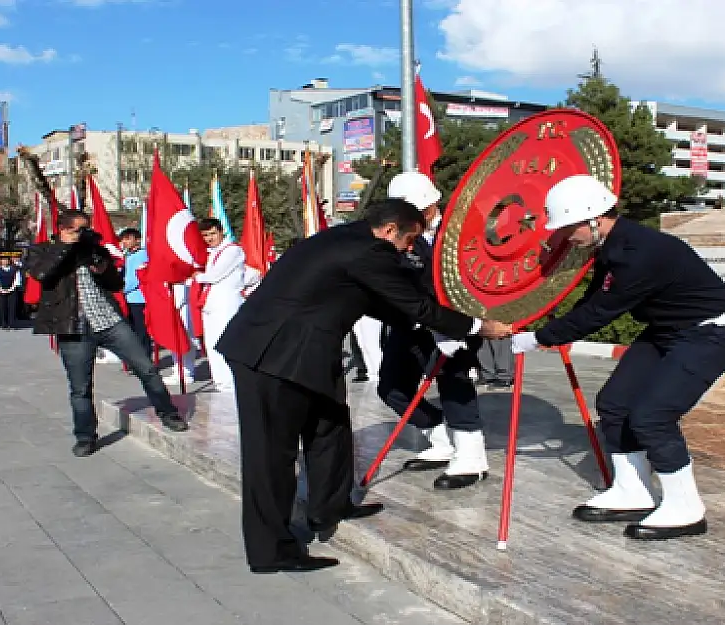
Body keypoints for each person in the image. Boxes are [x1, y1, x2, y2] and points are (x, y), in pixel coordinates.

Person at [215, 198, 513, 574]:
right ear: (390, 231)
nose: (409, 250)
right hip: (270, 356)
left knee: (331, 427)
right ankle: (270, 550)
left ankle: (331, 505)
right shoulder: (367, 252)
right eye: (408, 241)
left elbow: (378, 302)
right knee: (271, 455)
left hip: (306, 352)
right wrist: (477, 326)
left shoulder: (348, 240)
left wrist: (429, 327)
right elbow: (413, 305)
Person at [510, 175, 725, 541]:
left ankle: (685, 507)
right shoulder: (612, 246)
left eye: (568, 227)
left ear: (594, 218)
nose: (563, 236)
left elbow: (600, 314)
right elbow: (591, 300)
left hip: (712, 332)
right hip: (668, 329)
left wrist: (537, 339)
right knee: (615, 403)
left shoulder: (640, 253)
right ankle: (632, 489)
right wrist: (543, 315)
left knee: (653, 416)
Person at [25, 211, 189, 457]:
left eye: (86, 229)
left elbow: (115, 284)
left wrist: (101, 264)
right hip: (73, 327)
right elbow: (41, 275)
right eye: (79, 229)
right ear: (63, 229)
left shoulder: (93, 248)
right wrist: (64, 248)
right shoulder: (42, 250)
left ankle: (168, 413)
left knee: (147, 367)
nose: (84, 233)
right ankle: (85, 437)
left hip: (109, 322)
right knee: (80, 387)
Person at [377, 171, 488, 490]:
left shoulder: (460, 230)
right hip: (410, 322)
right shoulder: (397, 233)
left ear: (431, 204)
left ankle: (471, 458)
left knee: (455, 385)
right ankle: (441, 440)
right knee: (392, 387)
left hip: (454, 321)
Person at [194, 218, 245, 394]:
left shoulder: (233, 250)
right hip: (211, 305)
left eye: (213, 233)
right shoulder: (212, 253)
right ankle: (221, 383)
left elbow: (215, 275)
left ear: (221, 231)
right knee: (212, 346)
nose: (209, 238)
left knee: (225, 344)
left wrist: (196, 276)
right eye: (205, 235)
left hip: (226, 304)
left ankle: (231, 385)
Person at [120, 228, 152, 358]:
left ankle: (145, 359)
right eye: (123, 239)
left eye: (128, 238)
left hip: (139, 298)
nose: (124, 242)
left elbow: (136, 278)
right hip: (130, 298)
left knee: (141, 331)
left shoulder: (142, 255)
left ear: (137, 240)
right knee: (132, 331)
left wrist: (121, 289)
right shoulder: (129, 255)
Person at [0, 256, 22, 330]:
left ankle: (11, 323)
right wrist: (1, 289)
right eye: (3, 260)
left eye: (6, 260)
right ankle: (3, 323)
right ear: (1, 261)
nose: (5, 261)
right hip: (1, 290)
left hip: (12, 290)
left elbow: (17, 281)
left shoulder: (15, 270)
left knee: (12, 307)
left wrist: (11, 289)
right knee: (2, 306)